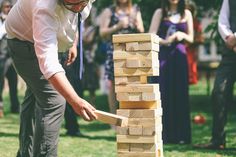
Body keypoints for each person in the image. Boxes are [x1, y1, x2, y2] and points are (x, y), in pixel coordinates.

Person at [5, 0, 97, 156]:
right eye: (70, 4)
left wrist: (71, 42)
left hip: (48, 41)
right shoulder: (44, 6)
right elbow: (49, 64)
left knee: (35, 97)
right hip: (23, 43)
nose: (76, 8)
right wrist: (76, 100)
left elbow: (76, 16)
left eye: (81, 3)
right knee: (54, 100)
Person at [149, 0, 193, 144]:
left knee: (180, 93)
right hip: (164, 56)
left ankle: (181, 136)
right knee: (164, 92)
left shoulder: (186, 13)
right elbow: (151, 35)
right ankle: (164, 135)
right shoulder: (159, 12)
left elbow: (191, 37)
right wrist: (165, 42)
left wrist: (182, 35)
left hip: (180, 57)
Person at [195, 0, 236, 150]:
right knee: (219, 91)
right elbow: (222, 21)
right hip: (229, 53)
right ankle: (218, 140)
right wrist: (229, 38)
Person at [99, 0, 144, 117]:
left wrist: (138, 27)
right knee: (113, 84)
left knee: (132, 83)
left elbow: (142, 31)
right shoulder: (110, 11)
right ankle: (114, 117)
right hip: (114, 51)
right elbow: (102, 32)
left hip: (131, 51)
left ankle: (130, 114)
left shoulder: (135, 10)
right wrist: (117, 26)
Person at [0, 0, 19, 117]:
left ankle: (15, 107)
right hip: (1, 58)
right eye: (6, 6)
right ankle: (0, 106)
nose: (9, 8)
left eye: (10, 6)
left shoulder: (15, 20)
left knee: (14, 84)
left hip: (13, 58)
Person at [186, 0, 204, 85]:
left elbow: (201, 38)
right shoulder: (179, 21)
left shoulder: (195, 22)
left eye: (189, 9)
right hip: (179, 49)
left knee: (189, 74)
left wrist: (191, 42)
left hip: (190, 51)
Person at [82, 15, 99, 106]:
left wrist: (81, 37)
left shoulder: (92, 29)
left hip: (89, 58)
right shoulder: (79, 27)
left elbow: (89, 40)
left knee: (91, 83)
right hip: (80, 58)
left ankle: (93, 104)